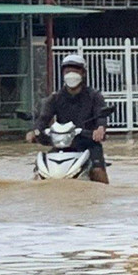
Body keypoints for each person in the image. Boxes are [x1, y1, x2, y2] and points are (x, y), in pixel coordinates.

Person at [26, 53, 110, 183]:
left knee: (97, 170)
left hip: (88, 142)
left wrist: (100, 128)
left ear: (83, 73)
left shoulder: (94, 96)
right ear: (63, 74)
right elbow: (43, 118)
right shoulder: (55, 98)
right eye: (67, 71)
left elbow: (101, 116)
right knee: (39, 171)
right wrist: (35, 131)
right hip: (63, 144)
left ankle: (105, 192)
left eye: (75, 70)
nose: (71, 74)